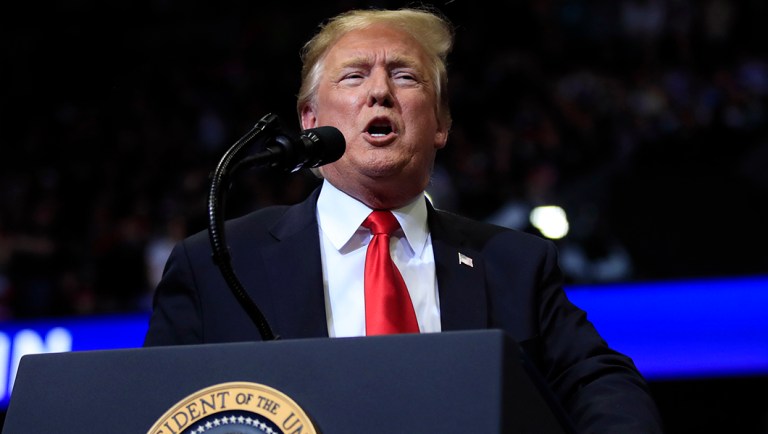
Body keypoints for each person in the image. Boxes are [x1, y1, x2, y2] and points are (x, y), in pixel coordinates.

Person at [144, 6, 664, 432]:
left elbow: (601, 384)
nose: (379, 92)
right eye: (354, 76)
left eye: (404, 75)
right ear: (310, 120)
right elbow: (154, 409)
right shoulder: (218, 262)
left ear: (440, 124)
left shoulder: (514, 262)